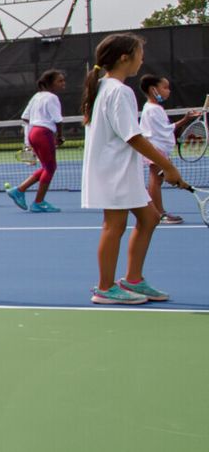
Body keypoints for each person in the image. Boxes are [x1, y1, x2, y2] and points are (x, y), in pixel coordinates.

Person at [82, 35, 184, 304]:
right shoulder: (118, 91)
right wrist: (168, 166)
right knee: (113, 226)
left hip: (121, 170)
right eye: (140, 54)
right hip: (114, 171)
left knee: (149, 218)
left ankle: (133, 280)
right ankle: (105, 288)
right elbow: (134, 137)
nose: (143, 59)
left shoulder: (104, 87)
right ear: (124, 57)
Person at [138, 73, 196, 225]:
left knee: (156, 180)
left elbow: (164, 130)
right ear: (153, 90)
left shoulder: (153, 108)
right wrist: (185, 120)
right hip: (155, 149)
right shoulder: (153, 109)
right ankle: (159, 213)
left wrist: (185, 119)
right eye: (165, 87)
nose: (168, 91)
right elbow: (166, 130)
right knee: (155, 181)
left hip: (157, 149)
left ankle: (157, 212)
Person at [10, 71, 67, 213]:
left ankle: (19, 190)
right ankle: (38, 202)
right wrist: (59, 137)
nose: (63, 83)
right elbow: (58, 120)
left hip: (34, 133)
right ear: (50, 83)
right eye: (60, 81)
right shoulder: (52, 97)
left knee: (46, 166)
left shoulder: (36, 96)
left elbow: (25, 117)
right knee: (50, 168)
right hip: (43, 134)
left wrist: (33, 132)